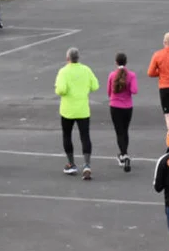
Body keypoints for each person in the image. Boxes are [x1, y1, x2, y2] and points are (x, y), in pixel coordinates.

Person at [54, 47, 99, 178]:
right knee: (85, 136)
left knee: (67, 135)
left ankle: (71, 163)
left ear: (67, 58)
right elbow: (95, 86)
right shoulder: (86, 70)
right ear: (78, 58)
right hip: (83, 109)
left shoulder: (63, 71)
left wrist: (59, 89)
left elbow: (61, 90)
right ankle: (87, 164)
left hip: (68, 109)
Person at [107, 53, 138, 172]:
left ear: (116, 62)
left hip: (115, 106)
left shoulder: (112, 75)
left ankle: (124, 154)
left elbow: (109, 92)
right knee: (125, 131)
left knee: (119, 132)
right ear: (126, 62)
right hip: (127, 107)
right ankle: (124, 154)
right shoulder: (131, 75)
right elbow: (134, 90)